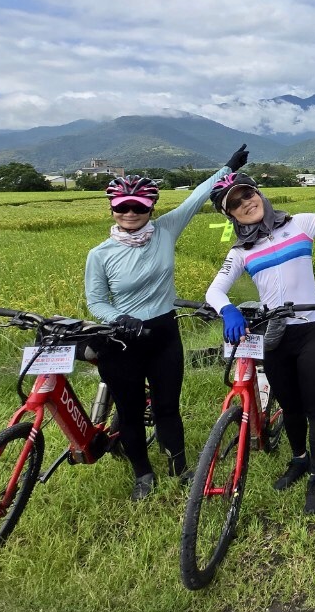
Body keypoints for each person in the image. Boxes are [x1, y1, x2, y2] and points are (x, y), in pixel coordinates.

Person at [205, 162, 315, 516]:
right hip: (275, 336)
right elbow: (215, 290)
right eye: (235, 203)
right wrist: (227, 310)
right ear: (230, 215)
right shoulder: (240, 251)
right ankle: (299, 458)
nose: (245, 203)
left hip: (311, 330)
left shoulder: (299, 224)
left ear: (259, 193)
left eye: (247, 194)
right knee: (289, 406)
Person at [85, 144, 249, 501]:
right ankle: (143, 475)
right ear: (112, 209)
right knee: (130, 412)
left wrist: (227, 168)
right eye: (122, 207)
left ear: (151, 208)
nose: (130, 213)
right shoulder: (99, 255)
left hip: (163, 334)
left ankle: (179, 468)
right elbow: (96, 301)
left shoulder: (165, 231)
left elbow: (196, 197)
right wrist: (118, 318)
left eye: (138, 207)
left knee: (167, 407)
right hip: (121, 339)